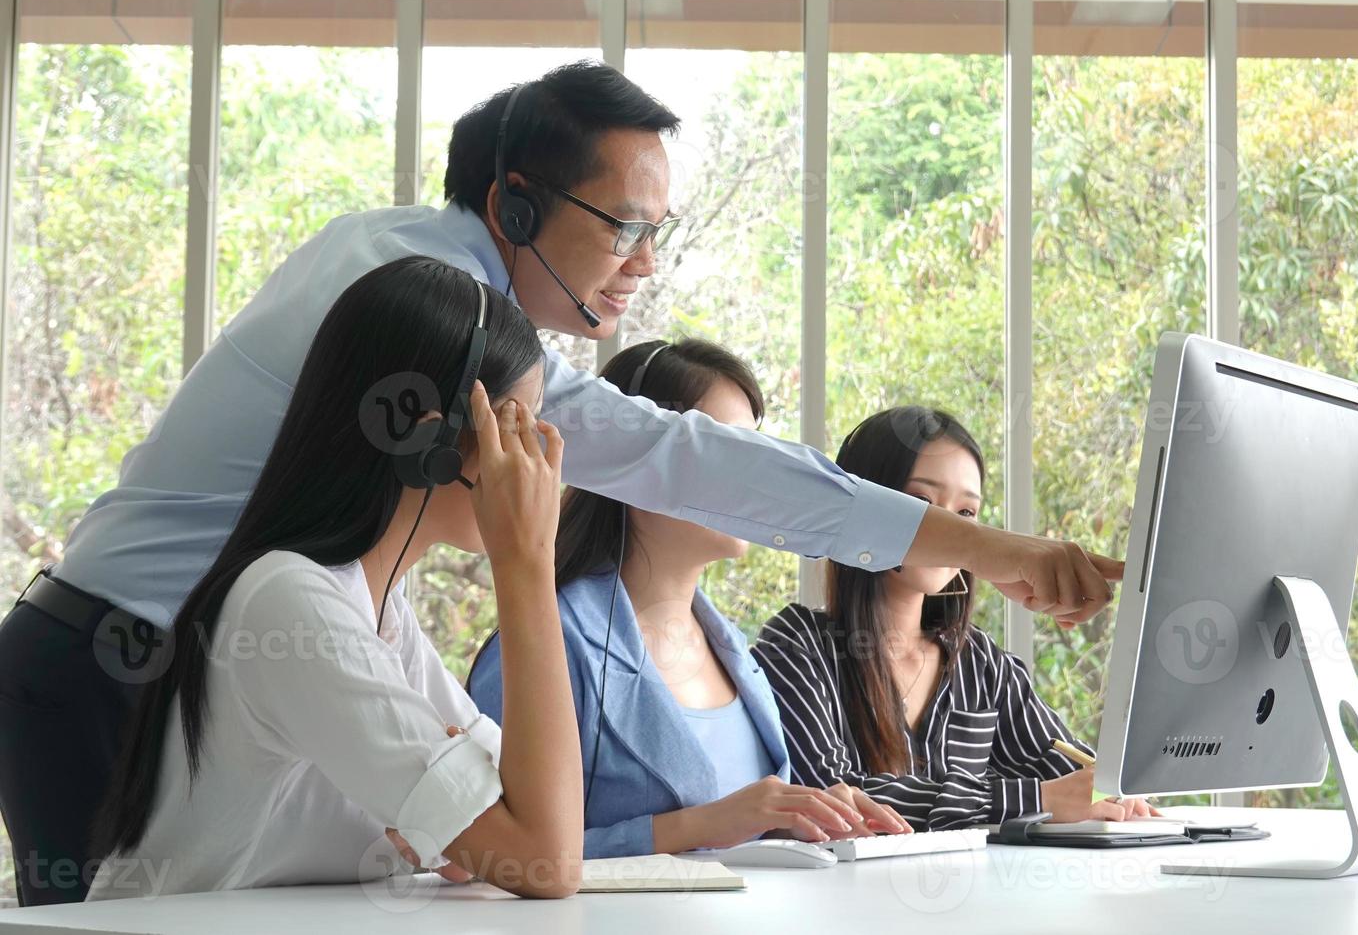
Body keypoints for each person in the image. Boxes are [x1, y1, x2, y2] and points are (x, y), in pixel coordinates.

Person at [0, 60, 1119, 903]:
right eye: (624, 226)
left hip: (187, 657)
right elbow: (689, 456)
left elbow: (533, 833)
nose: (643, 262)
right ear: (518, 204)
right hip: (113, 660)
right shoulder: (422, 303)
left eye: (657, 232)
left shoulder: (378, 568)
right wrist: (989, 549)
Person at [86, 256, 582, 900]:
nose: (537, 462)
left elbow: (531, 820)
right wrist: (526, 563)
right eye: (516, 429)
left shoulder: (383, 611)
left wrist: (472, 830)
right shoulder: (289, 601)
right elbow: (546, 860)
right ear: (430, 446)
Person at [468, 339, 910, 858]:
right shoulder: (545, 643)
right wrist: (694, 826)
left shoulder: (734, 651)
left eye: (757, 455)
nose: (755, 481)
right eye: (725, 454)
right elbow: (491, 858)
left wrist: (801, 818)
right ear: (637, 465)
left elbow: (739, 835)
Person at [753, 407, 1158, 831]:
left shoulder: (979, 661)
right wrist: (1034, 798)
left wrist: (1111, 792)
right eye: (921, 505)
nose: (947, 531)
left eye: (965, 515)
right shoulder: (796, 644)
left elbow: (1067, 771)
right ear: (863, 512)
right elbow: (829, 797)